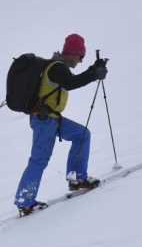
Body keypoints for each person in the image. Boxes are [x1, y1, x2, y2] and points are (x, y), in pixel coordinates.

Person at [14, 34, 108, 216]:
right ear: (72, 53)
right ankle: (25, 201)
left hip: (52, 118)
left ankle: (76, 178)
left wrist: (93, 70)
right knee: (39, 159)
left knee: (82, 135)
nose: (80, 60)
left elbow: (72, 80)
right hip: (44, 121)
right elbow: (71, 83)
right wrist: (93, 73)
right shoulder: (57, 68)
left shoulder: (59, 68)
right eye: (80, 56)